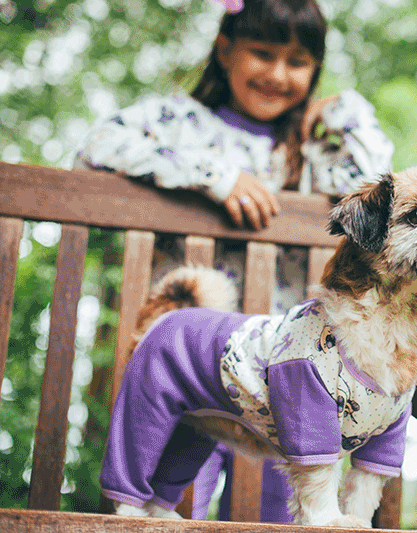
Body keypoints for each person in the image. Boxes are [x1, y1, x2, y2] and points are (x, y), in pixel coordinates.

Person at [73, 0, 394, 522]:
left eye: (297, 62)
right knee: (171, 505)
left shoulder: (313, 152)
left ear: (315, 70)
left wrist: (341, 114)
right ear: (225, 49)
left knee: (279, 515)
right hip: (192, 372)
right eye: (262, 53)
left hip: (282, 379)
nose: (277, 74)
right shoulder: (177, 123)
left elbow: (383, 192)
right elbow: (94, 146)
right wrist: (212, 176)